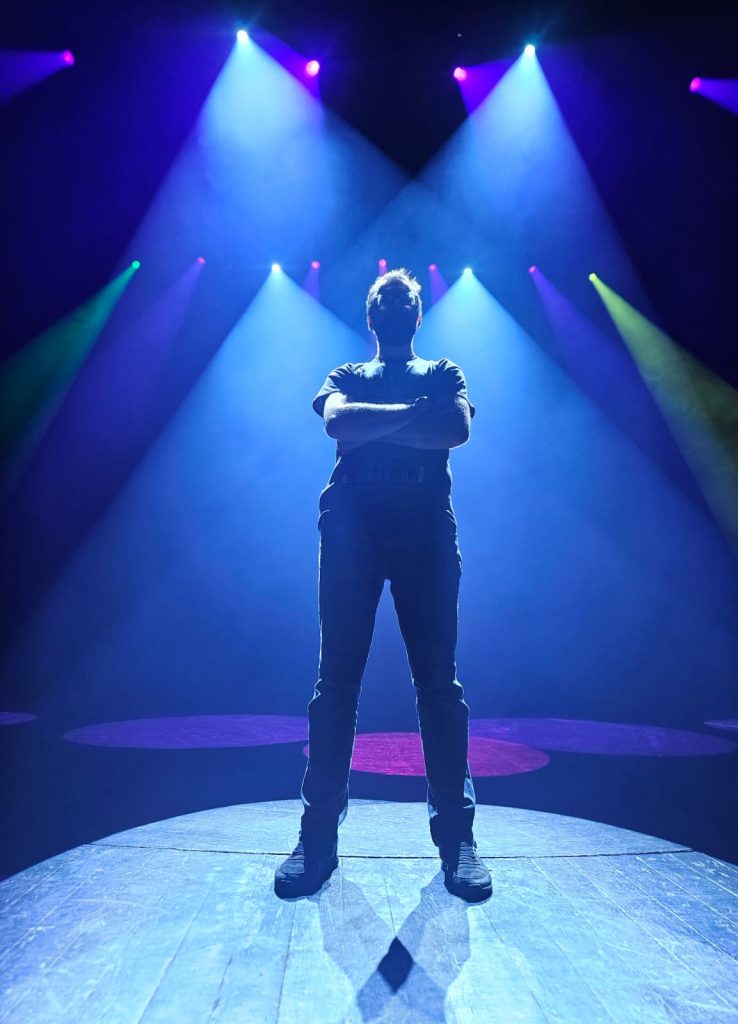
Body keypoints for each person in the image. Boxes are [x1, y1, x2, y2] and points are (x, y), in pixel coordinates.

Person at [274, 268, 491, 901]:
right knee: (335, 687)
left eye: (405, 300)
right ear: (372, 317)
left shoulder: (444, 372)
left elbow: (455, 429)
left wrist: (379, 425)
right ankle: (317, 841)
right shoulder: (347, 374)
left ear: (417, 315)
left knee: (439, 687)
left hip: (425, 537)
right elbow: (337, 422)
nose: (396, 307)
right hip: (352, 535)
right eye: (385, 300)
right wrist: (413, 416)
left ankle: (458, 842)